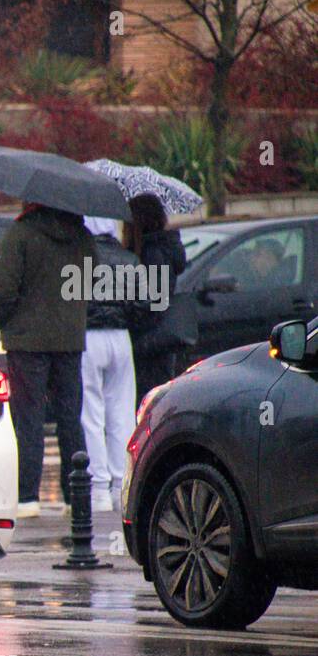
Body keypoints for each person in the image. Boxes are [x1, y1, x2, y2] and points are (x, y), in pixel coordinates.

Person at [0, 202, 95, 520]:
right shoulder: (82, 237)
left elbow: (3, 287)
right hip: (69, 340)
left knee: (29, 419)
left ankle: (27, 498)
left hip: (27, 342)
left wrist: (2, 318)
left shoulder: (19, 234)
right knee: (70, 418)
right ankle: (74, 497)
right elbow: (91, 282)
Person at [81, 217, 141, 514]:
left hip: (87, 339)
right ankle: (122, 486)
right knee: (121, 412)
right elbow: (142, 303)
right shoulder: (128, 258)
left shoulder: (79, 255)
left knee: (91, 414)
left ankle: (98, 490)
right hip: (120, 337)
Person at [125, 193, 188, 400]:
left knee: (149, 401)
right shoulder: (161, 248)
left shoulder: (152, 253)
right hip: (158, 342)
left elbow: (154, 302)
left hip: (150, 344)